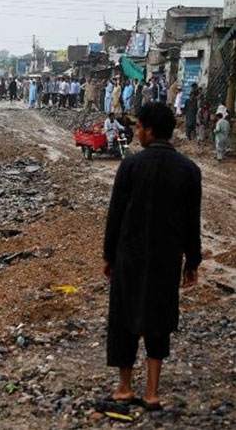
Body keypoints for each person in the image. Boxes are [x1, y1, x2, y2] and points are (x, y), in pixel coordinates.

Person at [103, 102, 201, 410]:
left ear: (148, 129)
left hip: (130, 256)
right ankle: (152, 392)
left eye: (138, 127)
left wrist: (108, 254)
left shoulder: (131, 166)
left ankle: (124, 388)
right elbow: (191, 221)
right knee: (159, 319)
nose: (136, 132)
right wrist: (192, 261)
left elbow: (115, 215)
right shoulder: (189, 170)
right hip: (166, 259)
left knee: (123, 318)